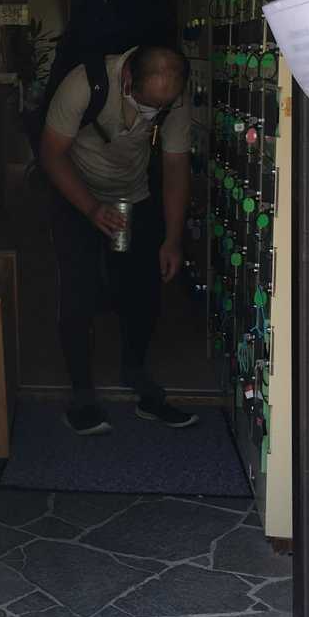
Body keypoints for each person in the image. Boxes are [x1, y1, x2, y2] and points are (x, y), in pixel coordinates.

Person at [40, 43, 197, 435]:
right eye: (148, 104)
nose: (153, 114)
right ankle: (82, 395)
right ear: (128, 80)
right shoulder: (85, 84)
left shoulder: (175, 98)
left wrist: (172, 239)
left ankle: (136, 373)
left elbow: (175, 167)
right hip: (76, 193)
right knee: (78, 290)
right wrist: (92, 208)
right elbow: (51, 154)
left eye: (162, 107)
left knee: (142, 289)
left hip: (132, 195)